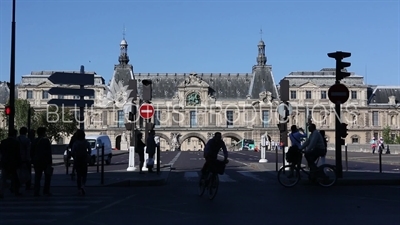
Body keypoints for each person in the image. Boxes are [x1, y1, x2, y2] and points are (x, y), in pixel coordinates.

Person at [0, 129, 22, 198]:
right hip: (14, 163)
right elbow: (18, 154)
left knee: (3, 178)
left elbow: (1, 153)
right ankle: (16, 191)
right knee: (15, 178)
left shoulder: (3, 142)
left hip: (5, 162)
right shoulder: (16, 142)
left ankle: (1, 192)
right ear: (15, 135)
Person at [31, 127, 53, 197]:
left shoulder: (35, 141)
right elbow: (49, 152)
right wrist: (50, 162)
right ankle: (46, 191)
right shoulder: (46, 141)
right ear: (44, 133)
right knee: (47, 177)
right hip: (45, 161)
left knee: (37, 177)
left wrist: (32, 159)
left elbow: (31, 151)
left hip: (37, 160)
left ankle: (36, 191)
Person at [71, 129, 90, 195]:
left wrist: (74, 156)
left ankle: (79, 188)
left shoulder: (76, 143)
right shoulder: (86, 142)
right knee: (84, 174)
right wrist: (87, 154)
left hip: (78, 159)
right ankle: (83, 185)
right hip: (84, 159)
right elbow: (89, 151)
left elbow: (73, 152)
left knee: (78, 175)